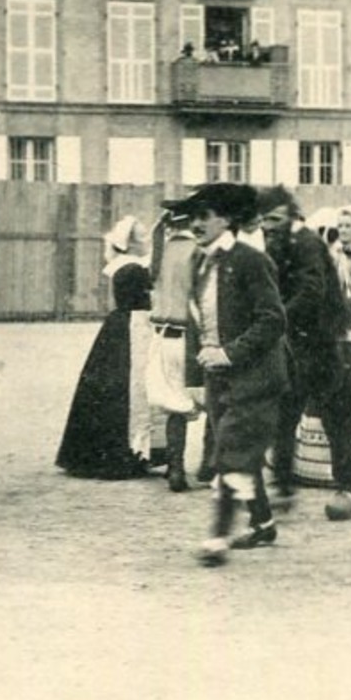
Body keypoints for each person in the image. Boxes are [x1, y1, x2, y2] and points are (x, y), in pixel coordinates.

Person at [182, 184, 290, 566]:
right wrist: (194, 375)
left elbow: (273, 319)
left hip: (256, 377)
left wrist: (229, 353)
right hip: (217, 379)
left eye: (203, 216)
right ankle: (262, 523)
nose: (195, 224)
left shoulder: (250, 260)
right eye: (192, 217)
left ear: (225, 219)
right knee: (239, 451)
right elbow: (195, 322)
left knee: (228, 452)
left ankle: (217, 538)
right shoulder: (199, 262)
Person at [259, 187, 351, 520]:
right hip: (295, 343)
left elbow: (311, 291)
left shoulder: (306, 243)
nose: (268, 226)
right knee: (284, 412)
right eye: (263, 220)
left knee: (335, 416)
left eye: (274, 219)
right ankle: (283, 484)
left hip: (322, 343)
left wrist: (276, 319)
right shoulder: (276, 243)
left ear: (290, 216)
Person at [55, 217, 160, 479]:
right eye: (142, 237)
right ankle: (122, 452)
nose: (146, 241)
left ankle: (131, 450)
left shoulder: (126, 265)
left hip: (126, 325)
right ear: (131, 242)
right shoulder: (132, 267)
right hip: (133, 327)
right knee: (127, 387)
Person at [149, 202, 206, 492]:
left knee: (174, 404)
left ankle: (176, 468)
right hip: (192, 333)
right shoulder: (199, 251)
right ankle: (211, 467)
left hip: (163, 334)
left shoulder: (161, 250)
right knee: (215, 399)